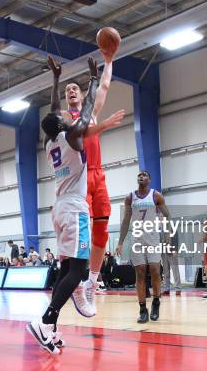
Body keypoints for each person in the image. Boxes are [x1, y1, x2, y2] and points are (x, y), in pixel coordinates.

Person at [26, 55, 98, 355]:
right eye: (66, 118)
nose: (69, 117)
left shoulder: (50, 142)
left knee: (67, 269)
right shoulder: (70, 137)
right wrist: (93, 81)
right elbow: (88, 110)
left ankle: (51, 327)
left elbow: (54, 112)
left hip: (60, 208)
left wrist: (55, 79)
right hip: (74, 208)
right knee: (79, 271)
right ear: (63, 125)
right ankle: (45, 320)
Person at [62, 46, 125, 316]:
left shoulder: (93, 112)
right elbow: (79, 132)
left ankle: (93, 281)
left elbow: (105, 85)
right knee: (81, 234)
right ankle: (76, 282)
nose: (72, 91)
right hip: (78, 177)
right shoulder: (65, 119)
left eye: (75, 87)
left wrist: (108, 61)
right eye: (68, 90)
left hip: (98, 174)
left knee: (102, 231)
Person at [116, 171, 171, 323]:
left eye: (145, 175)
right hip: (137, 237)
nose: (141, 176)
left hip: (153, 237)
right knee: (140, 273)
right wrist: (120, 242)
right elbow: (126, 220)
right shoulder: (130, 197)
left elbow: (167, 215)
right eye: (139, 175)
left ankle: (156, 302)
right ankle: (142, 309)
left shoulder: (156, 196)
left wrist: (167, 235)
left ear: (150, 179)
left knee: (154, 270)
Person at [161, 226, 181, 296]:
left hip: (171, 251)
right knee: (166, 272)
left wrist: (175, 249)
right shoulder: (159, 227)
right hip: (163, 252)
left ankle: (178, 289)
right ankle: (166, 289)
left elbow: (175, 238)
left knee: (175, 270)